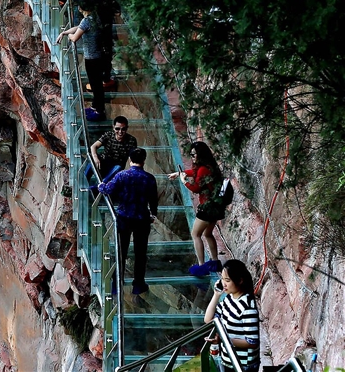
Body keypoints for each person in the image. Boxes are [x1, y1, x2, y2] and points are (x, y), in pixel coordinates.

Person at [98, 147, 158, 295]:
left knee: (120, 251)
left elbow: (108, 189)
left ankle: (116, 284)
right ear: (144, 160)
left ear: (130, 160)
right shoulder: (149, 178)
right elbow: (153, 200)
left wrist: (101, 186)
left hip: (124, 217)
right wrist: (153, 214)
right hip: (142, 219)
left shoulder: (122, 175)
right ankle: (138, 284)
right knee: (140, 253)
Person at [169, 141, 225, 275]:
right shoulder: (209, 166)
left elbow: (196, 188)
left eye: (194, 155)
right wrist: (180, 173)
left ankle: (201, 266)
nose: (192, 157)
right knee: (208, 233)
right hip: (216, 206)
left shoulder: (203, 169)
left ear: (200, 155)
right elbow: (195, 173)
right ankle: (215, 261)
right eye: (191, 154)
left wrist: (184, 181)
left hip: (207, 207)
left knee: (196, 234)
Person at [205, 259, 261, 372]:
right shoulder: (230, 298)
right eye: (222, 279)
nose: (223, 284)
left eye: (227, 280)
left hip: (242, 364)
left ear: (239, 280)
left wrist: (223, 339)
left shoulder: (247, 307)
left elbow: (252, 342)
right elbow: (208, 319)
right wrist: (216, 295)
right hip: (228, 359)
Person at [58, 4, 111, 120]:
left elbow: (75, 37)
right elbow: (79, 27)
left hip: (92, 59)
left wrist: (69, 36)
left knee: (96, 86)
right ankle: (94, 107)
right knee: (96, 84)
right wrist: (65, 32)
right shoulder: (94, 18)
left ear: (80, 8)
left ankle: (99, 111)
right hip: (98, 56)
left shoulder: (87, 20)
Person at [89, 115, 137, 181]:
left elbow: (131, 158)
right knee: (91, 161)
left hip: (116, 167)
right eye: (117, 129)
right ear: (113, 127)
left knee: (118, 167)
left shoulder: (131, 140)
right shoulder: (109, 135)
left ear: (127, 128)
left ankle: (102, 185)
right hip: (104, 162)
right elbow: (93, 146)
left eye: (123, 129)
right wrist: (95, 158)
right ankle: (82, 181)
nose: (120, 132)